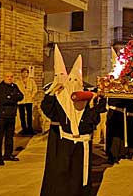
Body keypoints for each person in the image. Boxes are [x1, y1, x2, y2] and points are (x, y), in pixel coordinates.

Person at [42, 55, 106, 196]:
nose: (73, 83)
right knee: (64, 173)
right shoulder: (61, 102)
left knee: (79, 174)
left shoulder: (88, 100)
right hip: (66, 143)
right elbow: (48, 111)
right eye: (71, 80)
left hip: (83, 145)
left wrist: (93, 104)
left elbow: (93, 121)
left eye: (76, 80)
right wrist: (52, 93)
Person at [40, 44, 67, 196]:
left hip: (68, 133)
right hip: (56, 131)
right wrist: (50, 95)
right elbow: (47, 110)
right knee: (54, 162)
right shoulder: (51, 95)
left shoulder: (70, 93)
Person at [0, 72, 24, 166]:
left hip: (12, 115)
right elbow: (3, 100)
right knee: (0, 137)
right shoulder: (0, 87)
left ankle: (8, 154)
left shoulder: (14, 86)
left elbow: (21, 96)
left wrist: (11, 97)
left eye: (11, 76)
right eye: (7, 76)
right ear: (4, 77)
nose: (9, 78)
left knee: (10, 136)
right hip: (2, 116)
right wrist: (13, 98)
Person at [16, 68, 37, 135]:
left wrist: (32, 95)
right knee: (22, 115)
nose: (25, 74)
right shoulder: (18, 82)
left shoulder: (31, 81)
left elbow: (35, 89)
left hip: (29, 100)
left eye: (26, 73)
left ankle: (30, 129)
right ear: (21, 73)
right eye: (23, 72)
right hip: (21, 100)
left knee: (29, 115)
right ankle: (24, 129)